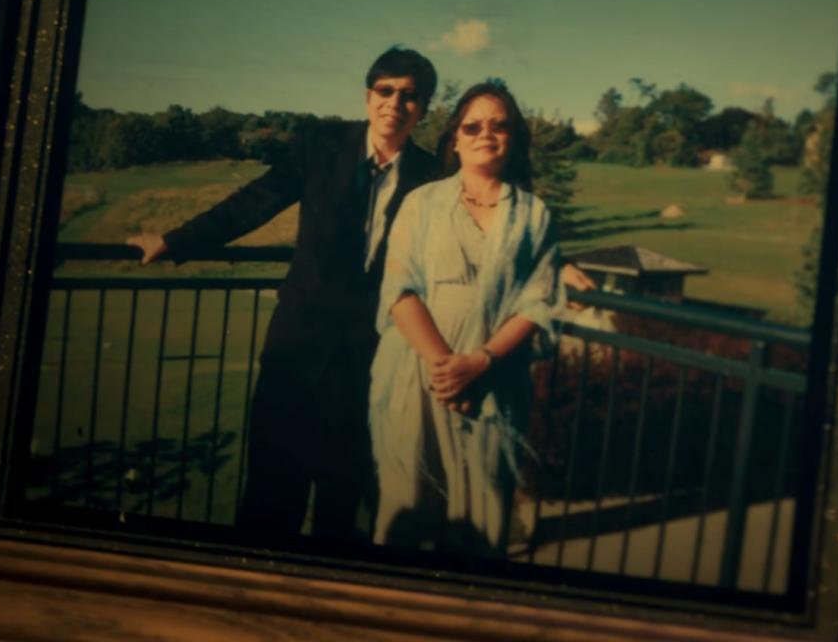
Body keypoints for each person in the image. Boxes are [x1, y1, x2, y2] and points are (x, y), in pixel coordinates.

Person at [127, 47, 441, 543]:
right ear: (367, 96)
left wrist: (560, 267)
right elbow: (253, 202)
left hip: (372, 360)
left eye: (409, 96)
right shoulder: (321, 146)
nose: (394, 104)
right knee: (272, 494)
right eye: (385, 91)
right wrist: (174, 242)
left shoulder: (432, 176)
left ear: (421, 109)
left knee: (344, 501)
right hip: (297, 350)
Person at [369, 81, 563, 554]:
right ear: (454, 139)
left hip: (493, 383)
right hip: (418, 376)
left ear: (514, 138)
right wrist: (445, 370)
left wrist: (478, 364)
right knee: (406, 509)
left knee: (481, 516)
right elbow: (400, 290)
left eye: (499, 125)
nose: (485, 134)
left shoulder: (534, 215)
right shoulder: (422, 203)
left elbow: (538, 303)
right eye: (472, 126)